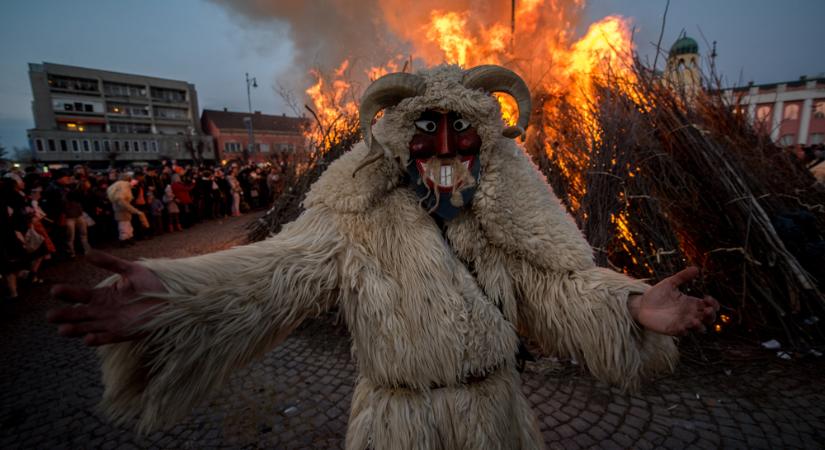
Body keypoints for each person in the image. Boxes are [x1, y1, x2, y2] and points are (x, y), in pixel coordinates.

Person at [48, 65, 718, 448]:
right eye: (429, 131)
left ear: (484, 142)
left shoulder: (498, 225)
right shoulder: (354, 218)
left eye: (464, 132)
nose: (448, 146)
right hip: (398, 427)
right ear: (401, 141)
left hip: (496, 421)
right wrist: (171, 297)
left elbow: (557, 291)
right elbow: (273, 274)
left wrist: (630, 305)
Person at [107, 175, 148, 247]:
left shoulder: (120, 191)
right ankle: (123, 241)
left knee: (128, 226)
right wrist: (135, 210)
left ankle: (128, 239)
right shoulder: (120, 194)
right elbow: (123, 204)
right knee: (123, 227)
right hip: (121, 212)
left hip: (125, 212)